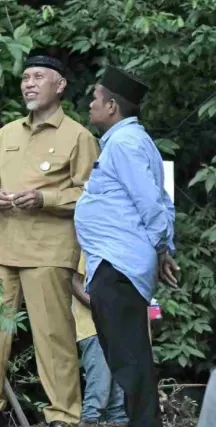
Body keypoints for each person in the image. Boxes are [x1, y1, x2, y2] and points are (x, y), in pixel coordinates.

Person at [0, 49, 99, 427]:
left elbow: (91, 196)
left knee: (53, 338)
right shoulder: (6, 132)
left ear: (59, 86)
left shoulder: (79, 136)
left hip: (49, 251)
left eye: (38, 77)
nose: (28, 83)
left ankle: (63, 416)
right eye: (25, 77)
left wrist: (46, 198)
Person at [75, 65, 178, 427]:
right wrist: (163, 250)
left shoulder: (124, 144)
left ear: (112, 107)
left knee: (130, 361)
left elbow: (152, 203)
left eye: (95, 98)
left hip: (118, 265)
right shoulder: (132, 142)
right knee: (127, 358)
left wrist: (160, 246)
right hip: (115, 264)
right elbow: (164, 201)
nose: (90, 104)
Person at [71, 252, 128, 426]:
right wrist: (103, 309)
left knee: (119, 397)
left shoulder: (126, 247)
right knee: (98, 389)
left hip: (121, 329)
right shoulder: (90, 244)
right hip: (93, 327)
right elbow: (74, 283)